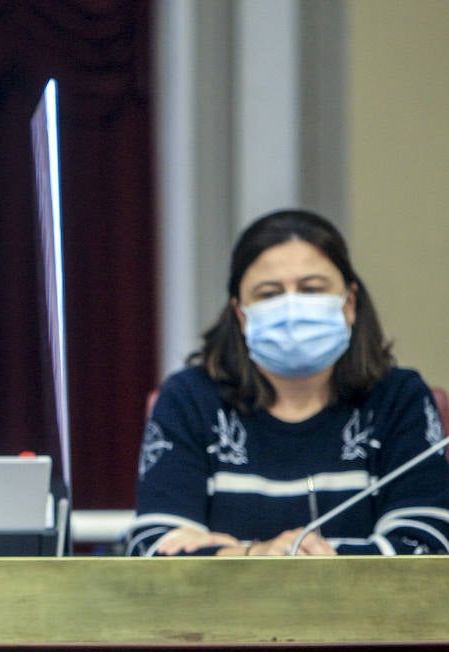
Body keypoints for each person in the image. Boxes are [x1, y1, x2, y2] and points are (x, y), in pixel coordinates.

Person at [128, 209, 449, 557]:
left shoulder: (399, 399)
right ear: (240, 313)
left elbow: (427, 546)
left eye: (311, 289)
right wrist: (260, 556)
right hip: (227, 613)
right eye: (269, 294)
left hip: (367, 613)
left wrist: (263, 558)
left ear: (349, 304)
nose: (293, 307)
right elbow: (154, 548)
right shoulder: (189, 399)